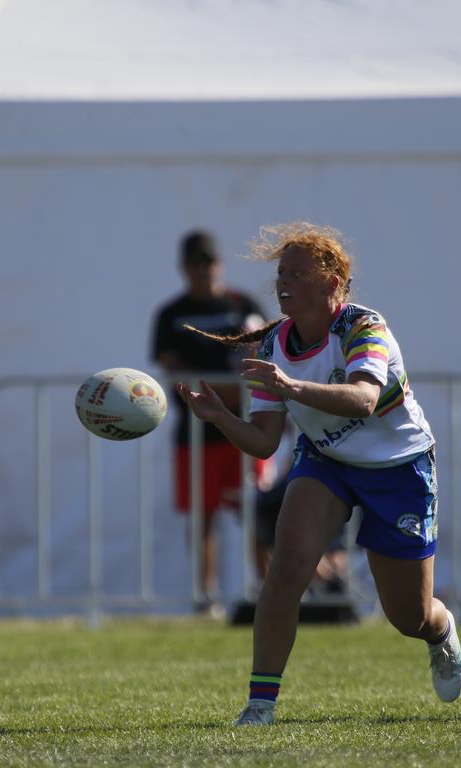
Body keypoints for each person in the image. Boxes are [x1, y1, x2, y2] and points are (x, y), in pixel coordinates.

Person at [176, 222, 461, 725]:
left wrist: (291, 388)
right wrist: (221, 418)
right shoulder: (273, 346)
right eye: (280, 273)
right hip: (326, 462)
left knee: (408, 615)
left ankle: (441, 632)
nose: (282, 282)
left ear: (332, 281)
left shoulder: (363, 327)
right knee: (286, 570)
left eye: (296, 273)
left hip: (398, 468)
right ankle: (260, 706)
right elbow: (265, 440)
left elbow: (364, 399)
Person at [151, 230, 270, 613]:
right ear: (183, 267)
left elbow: (264, 353)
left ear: (219, 263)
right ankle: (206, 596)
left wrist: (236, 396)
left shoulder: (242, 304)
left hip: (242, 430)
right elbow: (171, 366)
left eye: (209, 262)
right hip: (195, 431)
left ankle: (270, 591)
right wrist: (211, 397)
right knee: (202, 515)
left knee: (255, 511)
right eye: (195, 263)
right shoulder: (170, 314)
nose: (203, 270)